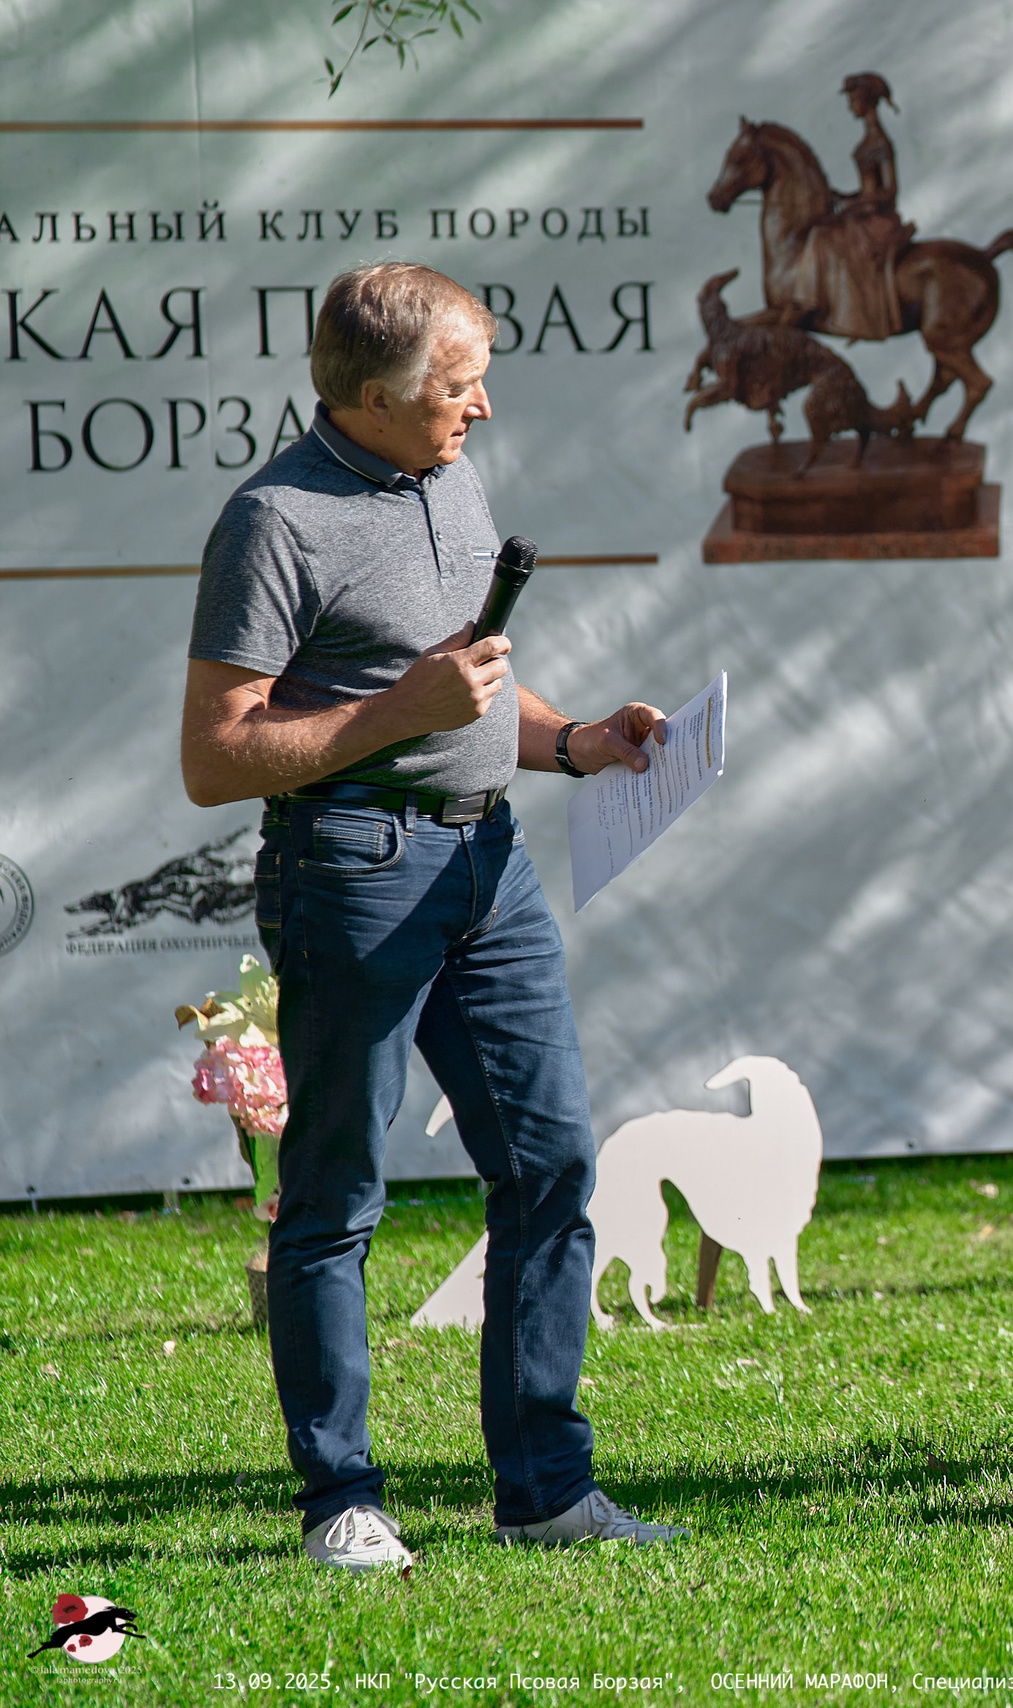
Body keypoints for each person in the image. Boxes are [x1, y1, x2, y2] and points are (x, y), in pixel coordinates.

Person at [181, 263, 686, 1571]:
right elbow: (215, 757)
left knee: (553, 1164)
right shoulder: (273, 522)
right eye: (459, 386)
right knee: (337, 1192)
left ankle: (546, 1492)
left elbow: (468, 686)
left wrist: (574, 740)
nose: (484, 407)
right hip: (350, 872)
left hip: (488, 865)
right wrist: (397, 713)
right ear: (372, 397)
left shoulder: (445, 476)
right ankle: (340, 1502)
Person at [833, 71, 915, 343]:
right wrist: (844, 197)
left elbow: (890, 190)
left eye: (854, 101)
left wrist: (858, 202)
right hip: (865, 213)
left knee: (847, 243)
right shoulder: (865, 143)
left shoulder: (880, 143)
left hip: (880, 218)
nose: (850, 107)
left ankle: (867, 314)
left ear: (867, 101)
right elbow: (868, 189)